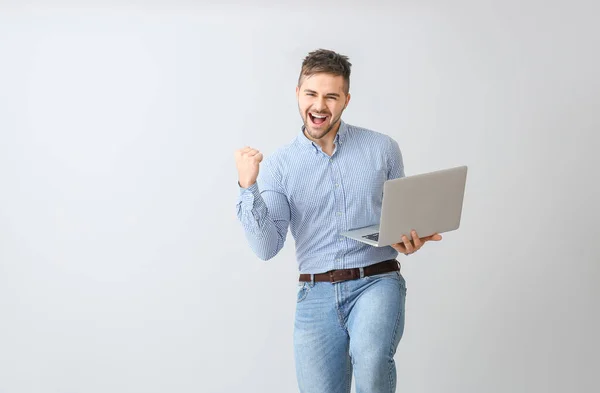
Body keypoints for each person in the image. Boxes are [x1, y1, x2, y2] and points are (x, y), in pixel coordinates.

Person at [234, 48, 442, 393]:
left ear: (345, 99)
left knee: (373, 362)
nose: (320, 106)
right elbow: (266, 247)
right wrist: (247, 186)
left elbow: (399, 222)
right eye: (311, 94)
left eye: (331, 96)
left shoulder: (382, 149)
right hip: (314, 293)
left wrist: (408, 239)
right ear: (298, 94)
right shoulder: (279, 165)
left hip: (376, 282)